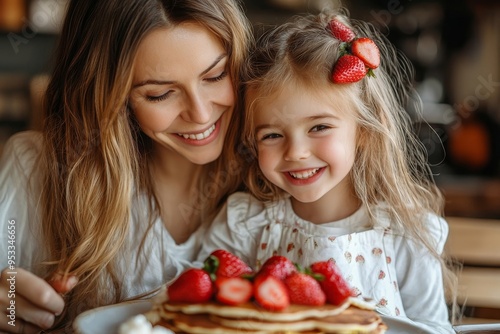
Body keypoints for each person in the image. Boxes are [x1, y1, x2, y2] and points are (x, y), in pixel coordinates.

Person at [198, 8, 457, 333]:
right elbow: (204, 313)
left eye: (319, 127)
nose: (296, 152)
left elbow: (432, 329)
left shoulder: (407, 235)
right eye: (272, 135)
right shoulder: (245, 224)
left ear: (363, 130)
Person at [0, 0, 252, 332]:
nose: (201, 114)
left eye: (216, 75)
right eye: (160, 94)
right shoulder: (35, 167)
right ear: (108, 96)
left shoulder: (281, 165)